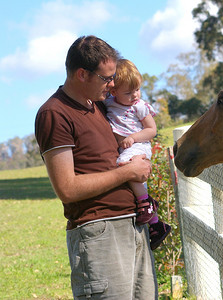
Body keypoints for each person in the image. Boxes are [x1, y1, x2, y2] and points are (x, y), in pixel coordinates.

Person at [35, 35, 158, 299]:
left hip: (133, 225)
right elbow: (67, 189)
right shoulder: (55, 114)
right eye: (106, 78)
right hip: (99, 233)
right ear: (82, 74)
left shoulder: (101, 107)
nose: (113, 84)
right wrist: (128, 172)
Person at [105, 58, 171, 250]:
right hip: (126, 147)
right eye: (129, 92)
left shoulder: (139, 106)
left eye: (137, 89)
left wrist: (133, 138)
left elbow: (151, 130)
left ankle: (145, 203)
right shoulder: (109, 103)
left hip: (139, 145)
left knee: (128, 166)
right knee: (132, 173)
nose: (135, 95)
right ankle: (156, 224)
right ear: (113, 91)